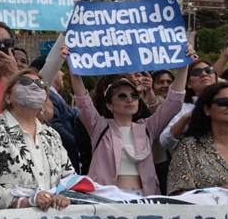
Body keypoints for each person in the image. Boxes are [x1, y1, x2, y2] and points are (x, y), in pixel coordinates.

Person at [69, 44, 191, 196]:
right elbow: (83, 101)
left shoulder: (147, 127)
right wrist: (72, 63)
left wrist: (184, 65)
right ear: (109, 105)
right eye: (122, 96)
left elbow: (174, 102)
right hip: (106, 198)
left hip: (144, 199)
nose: (129, 100)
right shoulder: (99, 126)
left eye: (134, 96)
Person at [0, 69, 74, 211]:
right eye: (25, 81)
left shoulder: (51, 135)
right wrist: (24, 202)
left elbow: (69, 177)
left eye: (41, 84)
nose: (35, 86)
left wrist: (64, 197)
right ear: (8, 97)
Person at [167, 82, 228, 195]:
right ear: (207, 109)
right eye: (224, 102)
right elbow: (177, 194)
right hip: (212, 212)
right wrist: (220, 192)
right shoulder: (189, 146)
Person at [160, 59, 216, 152]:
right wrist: (187, 118)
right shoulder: (181, 108)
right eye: (196, 72)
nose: (204, 74)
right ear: (189, 83)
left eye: (208, 70)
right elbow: (166, 142)